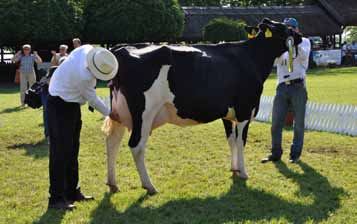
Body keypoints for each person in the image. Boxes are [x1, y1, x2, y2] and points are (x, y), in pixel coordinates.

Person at [47, 45, 120, 210]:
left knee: (73, 150)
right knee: (60, 153)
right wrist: (111, 113)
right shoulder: (84, 77)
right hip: (59, 104)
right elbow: (93, 100)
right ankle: (56, 198)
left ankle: (73, 192)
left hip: (71, 103)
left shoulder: (86, 49)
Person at [262, 18, 311, 164]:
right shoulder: (280, 45)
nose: (290, 31)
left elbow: (303, 56)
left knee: (299, 124)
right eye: (287, 28)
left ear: (297, 29)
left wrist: (294, 43)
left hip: (298, 86)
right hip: (282, 86)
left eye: (292, 28)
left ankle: (295, 154)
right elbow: (274, 61)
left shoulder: (304, 41)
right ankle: (275, 153)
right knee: (276, 122)